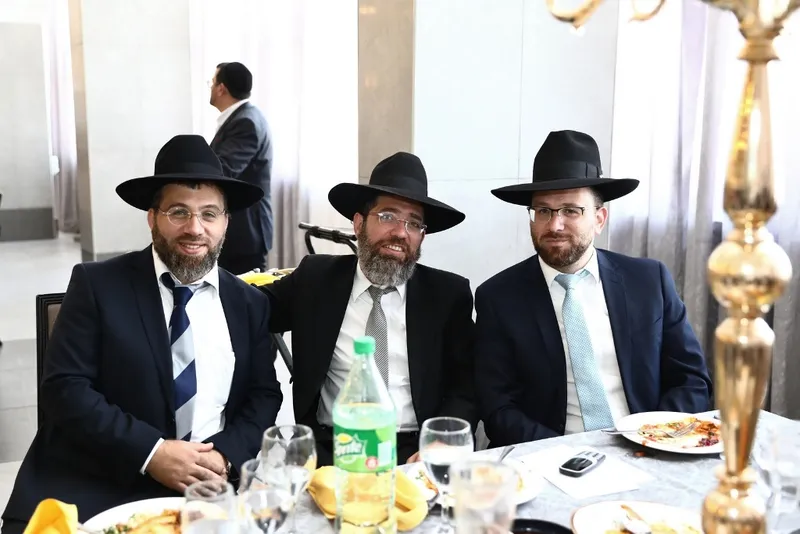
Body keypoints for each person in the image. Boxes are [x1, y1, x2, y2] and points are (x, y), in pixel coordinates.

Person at [1, 135, 283, 532]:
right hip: (99, 478)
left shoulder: (249, 303)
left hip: (206, 486)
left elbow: (263, 395)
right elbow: (64, 387)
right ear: (152, 218)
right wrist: (153, 453)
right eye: (178, 212)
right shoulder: (98, 285)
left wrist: (224, 455)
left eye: (209, 214)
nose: (195, 228)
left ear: (226, 223)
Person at [474, 130, 712, 447]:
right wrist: (566, 452)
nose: (555, 225)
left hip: (648, 445)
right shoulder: (499, 297)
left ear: (600, 219)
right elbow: (498, 407)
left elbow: (692, 380)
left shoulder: (648, 281)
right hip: (550, 455)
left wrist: (652, 438)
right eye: (542, 211)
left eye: (571, 210)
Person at [263, 152, 477, 465]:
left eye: (414, 223)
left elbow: (467, 386)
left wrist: (440, 442)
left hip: (413, 450)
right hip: (332, 447)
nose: (401, 233)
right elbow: (251, 308)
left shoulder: (447, 295)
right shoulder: (315, 279)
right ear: (359, 223)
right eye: (388, 216)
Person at [209, 61, 273, 274]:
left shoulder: (245, 122)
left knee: (243, 292)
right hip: (241, 232)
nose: (211, 87)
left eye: (212, 82)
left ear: (221, 88)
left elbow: (224, 170)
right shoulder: (244, 117)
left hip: (244, 233)